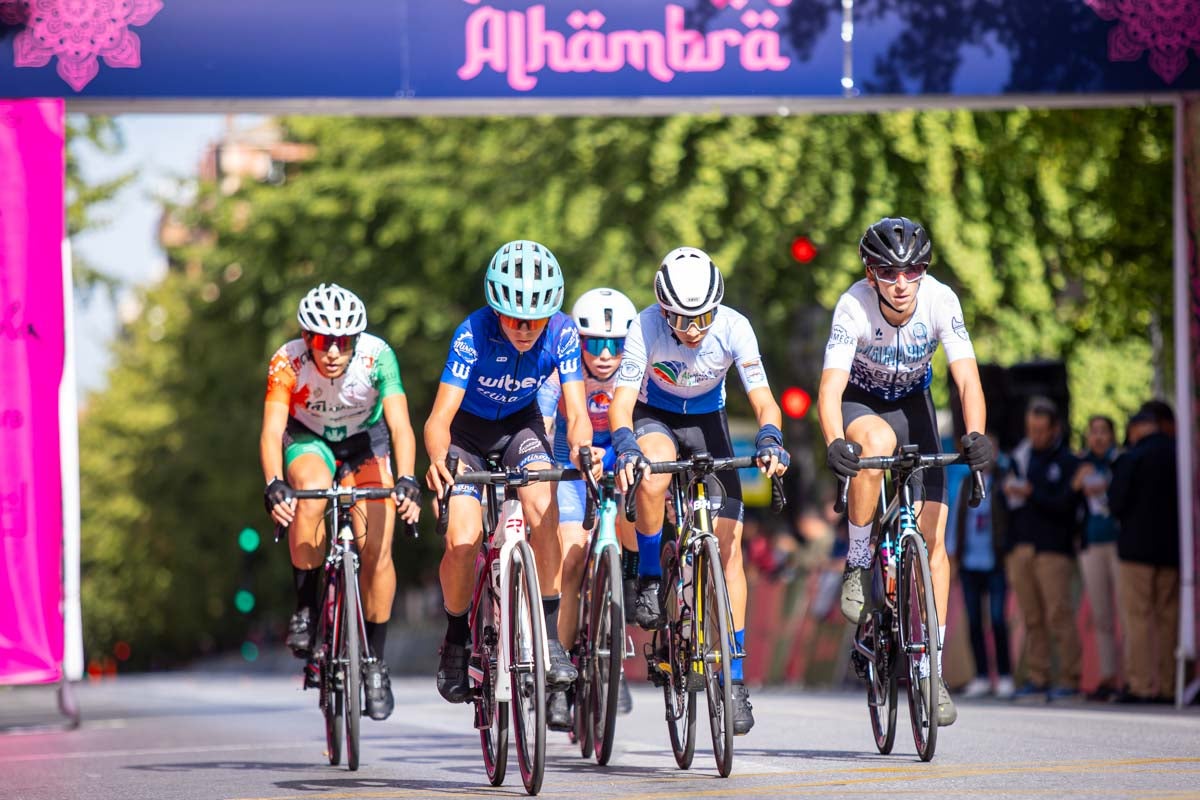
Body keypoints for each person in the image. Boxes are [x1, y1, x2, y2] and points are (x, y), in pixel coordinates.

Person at [817, 217, 992, 727]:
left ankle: (931, 668)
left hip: (914, 404)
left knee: (935, 542)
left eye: (911, 270)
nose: (900, 282)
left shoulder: (940, 300)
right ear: (870, 274)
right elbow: (829, 390)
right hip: (861, 403)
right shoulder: (852, 306)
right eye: (888, 272)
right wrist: (833, 442)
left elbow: (967, 380)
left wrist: (976, 435)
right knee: (876, 444)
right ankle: (856, 559)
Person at [609, 246, 790, 735]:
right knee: (652, 474)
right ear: (663, 309)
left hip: (709, 423)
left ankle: (733, 681)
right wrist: (624, 442)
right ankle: (649, 574)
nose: (692, 329)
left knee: (728, 551)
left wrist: (771, 435)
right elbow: (622, 402)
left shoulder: (734, 327)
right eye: (682, 319)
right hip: (656, 417)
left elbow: (763, 399)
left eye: (703, 317)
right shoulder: (643, 327)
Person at [425, 240, 598, 706]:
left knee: (543, 504)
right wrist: (440, 461)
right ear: (495, 309)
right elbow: (439, 420)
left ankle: (550, 638)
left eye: (535, 319)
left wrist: (583, 449)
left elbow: (576, 411)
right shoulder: (472, 333)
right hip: (467, 435)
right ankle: (457, 638)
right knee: (462, 539)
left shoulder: (563, 334)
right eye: (515, 317)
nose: (525, 329)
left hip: (520, 428)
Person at [261, 283, 422, 722]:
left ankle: (376, 662)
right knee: (310, 495)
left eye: (342, 342)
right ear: (306, 337)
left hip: (364, 443)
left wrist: (407, 479)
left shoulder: (378, 356)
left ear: (355, 340)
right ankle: (307, 609)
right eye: (321, 340)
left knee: (378, 545)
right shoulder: (287, 360)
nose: (332, 351)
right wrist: (274, 482)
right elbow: (273, 429)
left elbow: (402, 426)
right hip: (308, 439)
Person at [537, 287, 640, 729]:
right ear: (578, 342)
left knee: (641, 521)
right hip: (569, 468)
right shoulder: (561, 373)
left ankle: (615, 647)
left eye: (613, 344)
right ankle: (559, 682)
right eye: (593, 343)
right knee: (572, 559)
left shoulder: (638, 371)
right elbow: (542, 428)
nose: (603, 354)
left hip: (616, 462)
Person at [1002, 398, 1082, 702]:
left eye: (1041, 430)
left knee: (1059, 615)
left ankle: (1070, 679)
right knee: (1031, 617)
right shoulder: (1020, 458)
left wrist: (1032, 493)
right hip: (1020, 549)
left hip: (1053, 550)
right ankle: (1039, 677)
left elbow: (1065, 505)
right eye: (1031, 429)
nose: (1035, 436)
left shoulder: (1066, 461)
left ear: (1054, 429)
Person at [1110, 406, 1180, 703]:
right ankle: (1169, 686)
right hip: (1172, 550)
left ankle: (1140, 684)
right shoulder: (1180, 453)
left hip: (1136, 550)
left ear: (1137, 429)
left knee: (1138, 619)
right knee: (1169, 619)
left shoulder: (1132, 457)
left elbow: (1115, 503)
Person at [949, 432, 1014, 699]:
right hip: (969, 562)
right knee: (974, 621)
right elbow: (955, 520)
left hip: (995, 561)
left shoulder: (1004, 482)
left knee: (998, 620)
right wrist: (952, 556)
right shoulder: (965, 483)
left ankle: (1006, 675)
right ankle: (982, 675)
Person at [1071, 415, 1121, 701]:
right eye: (1094, 432)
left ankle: (1132, 679)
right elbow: (1067, 504)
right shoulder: (1080, 464)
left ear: (1113, 435)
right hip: (1091, 545)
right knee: (1101, 616)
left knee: (1125, 616)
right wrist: (1076, 485)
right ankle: (1107, 677)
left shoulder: (1120, 462)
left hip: (1118, 544)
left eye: (1104, 431)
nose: (1098, 437)